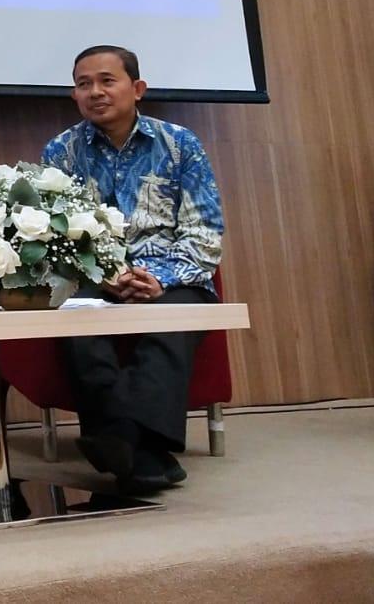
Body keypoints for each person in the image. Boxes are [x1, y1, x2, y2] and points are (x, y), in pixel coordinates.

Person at [41, 44, 224, 492]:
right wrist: (109, 276)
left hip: (174, 276)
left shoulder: (179, 144)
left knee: (169, 326)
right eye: (84, 84)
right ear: (74, 95)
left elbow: (204, 230)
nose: (95, 92)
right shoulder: (61, 152)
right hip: (93, 279)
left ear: (137, 88)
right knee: (79, 326)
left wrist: (160, 278)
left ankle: (119, 437)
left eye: (107, 81)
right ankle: (142, 451)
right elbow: (54, 236)